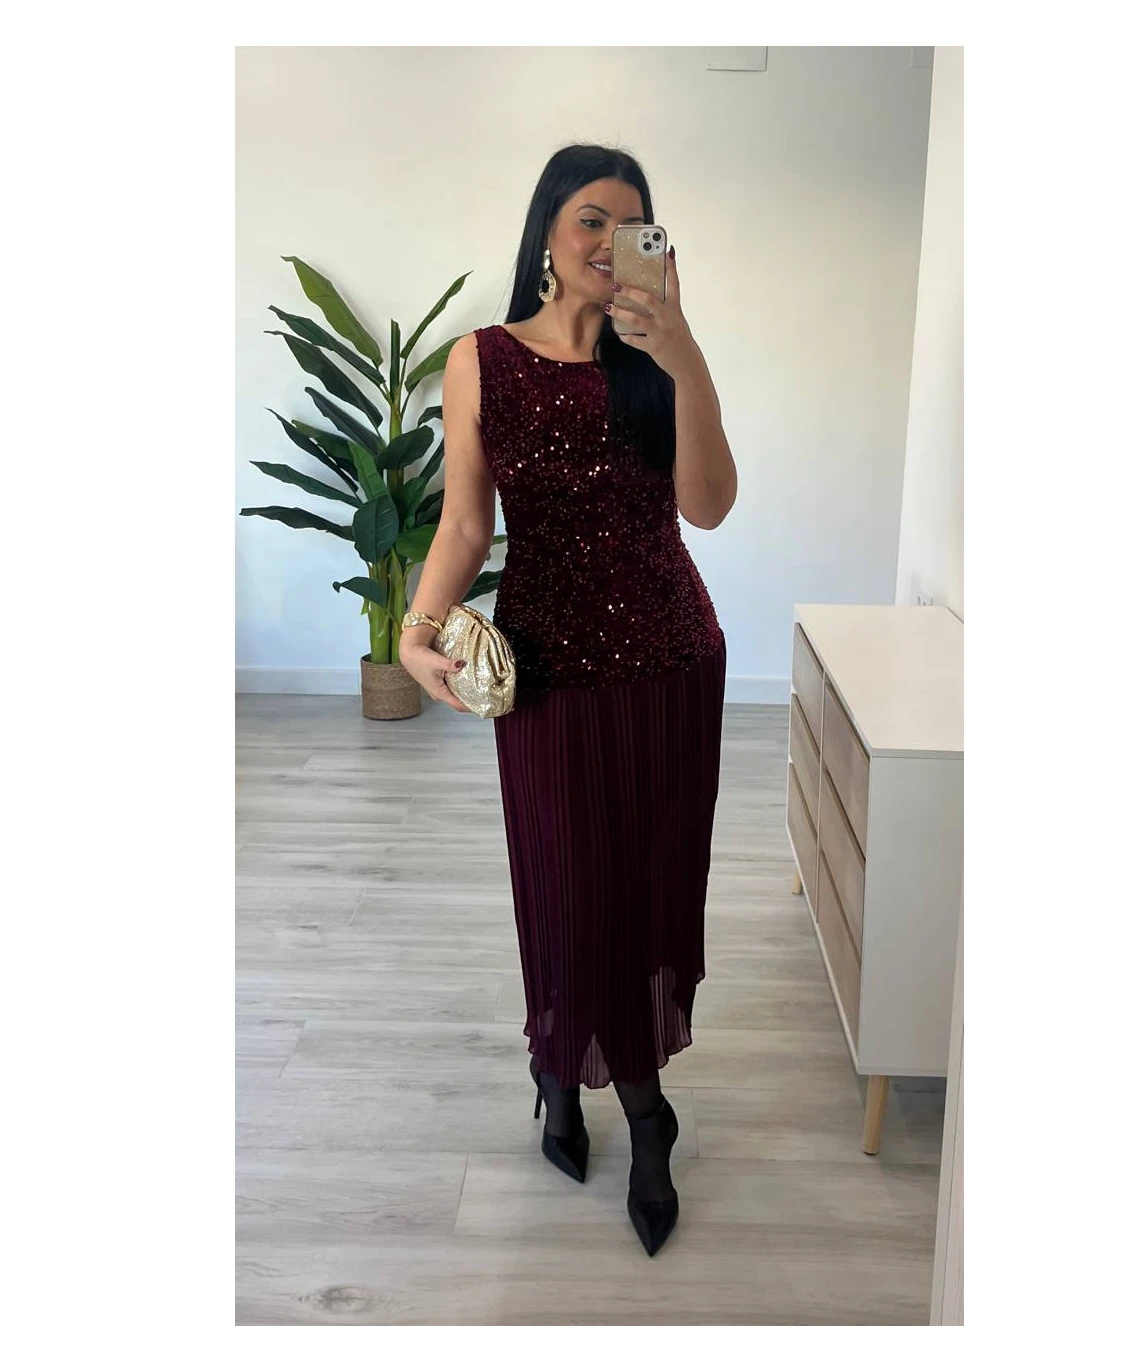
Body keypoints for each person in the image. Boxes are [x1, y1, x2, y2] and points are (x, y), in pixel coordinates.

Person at [399, 144, 737, 1257]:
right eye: (590, 218)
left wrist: (683, 352)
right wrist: (415, 628)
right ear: (547, 230)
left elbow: (709, 506)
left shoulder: (659, 361)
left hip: (668, 663)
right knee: (561, 884)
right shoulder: (482, 359)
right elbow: (465, 524)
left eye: (632, 226)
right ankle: (557, 1066)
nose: (607, 243)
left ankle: (642, 1108)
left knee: (643, 889)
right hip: (545, 671)